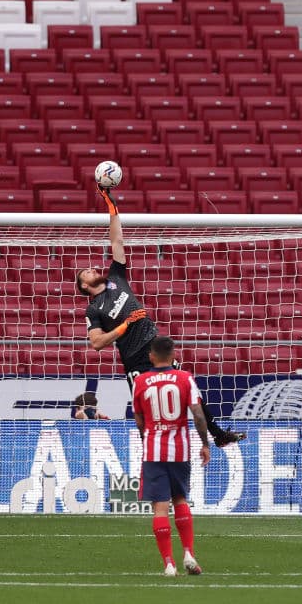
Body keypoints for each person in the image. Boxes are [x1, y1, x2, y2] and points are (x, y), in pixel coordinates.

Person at [76, 185, 244, 447]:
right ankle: (149, 450)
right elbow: (96, 343)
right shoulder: (93, 309)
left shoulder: (116, 279)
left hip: (154, 345)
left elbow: (116, 240)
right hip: (134, 358)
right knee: (145, 408)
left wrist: (111, 205)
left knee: (188, 389)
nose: (91, 268)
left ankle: (217, 434)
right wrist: (125, 325)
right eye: (85, 272)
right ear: (84, 287)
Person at [132, 336, 210, 576]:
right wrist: (205, 444)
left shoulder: (141, 381)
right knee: (180, 500)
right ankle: (188, 552)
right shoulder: (185, 378)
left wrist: (149, 437)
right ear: (174, 355)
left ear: (151, 356)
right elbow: (197, 414)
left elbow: (139, 418)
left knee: (160, 509)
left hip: (154, 450)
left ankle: (168, 563)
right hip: (180, 450)